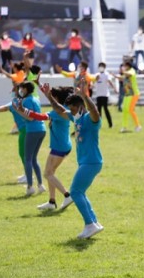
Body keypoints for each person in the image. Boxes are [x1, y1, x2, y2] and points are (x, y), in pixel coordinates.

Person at [35, 81, 104, 239]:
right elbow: (60, 110)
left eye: (73, 109)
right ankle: (94, 223)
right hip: (87, 162)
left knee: (75, 192)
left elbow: (95, 111)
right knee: (80, 192)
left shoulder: (90, 120)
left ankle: (90, 225)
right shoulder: (77, 118)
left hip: (91, 162)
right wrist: (49, 96)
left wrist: (85, 96)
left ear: (80, 106)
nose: (71, 112)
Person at [15, 86, 75, 211]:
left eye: (53, 97)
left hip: (60, 147)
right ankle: (52, 202)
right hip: (62, 145)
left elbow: (40, 116)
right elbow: (51, 97)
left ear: (57, 99)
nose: (50, 99)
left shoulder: (57, 113)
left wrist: (23, 110)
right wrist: (42, 87)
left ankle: (67, 195)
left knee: (48, 174)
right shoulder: (64, 109)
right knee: (50, 173)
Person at [0, 95, 28, 184]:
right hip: (26, 129)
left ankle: (28, 175)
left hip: (25, 130)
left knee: (23, 153)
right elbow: (6, 107)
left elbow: (5, 108)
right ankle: (27, 174)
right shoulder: (23, 101)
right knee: (25, 153)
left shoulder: (17, 102)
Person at [17, 81, 47, 195]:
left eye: (21, 88)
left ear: (25, 89)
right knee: (34, 159)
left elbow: (30, 118)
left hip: (32, 130)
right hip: (41, 129)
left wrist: (19, 111)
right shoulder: (35, 99)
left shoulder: (27, 100)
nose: (20, 90)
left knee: (27, 158)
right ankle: (40, 185)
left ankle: (30, 187)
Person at [115, 61, 141, 132]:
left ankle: (138, 126)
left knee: (130, 110)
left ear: (128, 66)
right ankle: (124, 127)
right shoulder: (126, 72)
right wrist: (115, 76)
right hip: (127, 94)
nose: (124, 67)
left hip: (134, 93)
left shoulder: (132, 71)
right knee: (125, 110)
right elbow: (122, 78)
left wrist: (123, 71)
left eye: (125, 66)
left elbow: (129, 74)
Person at [94, 62, 116, 128]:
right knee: (98, 110)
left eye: (102, 66)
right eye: (100, 66)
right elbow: (93, 82)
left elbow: (109, 81)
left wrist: (114, 88)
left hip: (105, 94)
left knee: (106, 109)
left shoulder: (106, 74)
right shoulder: (97, 75)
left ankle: (110, 124)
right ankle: (98, 124)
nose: (101, 67)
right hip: (98, 95)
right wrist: (96, 79)